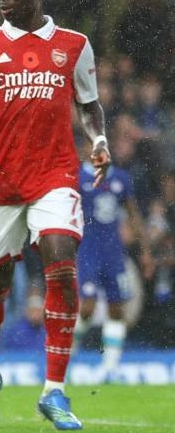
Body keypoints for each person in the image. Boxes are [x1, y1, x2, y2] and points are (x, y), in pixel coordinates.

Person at [0, 0, 110, 431]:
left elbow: (89, 104)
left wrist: (99, 139)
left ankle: (55, 391)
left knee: (61, 264)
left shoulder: (74, 44)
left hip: (55, 174)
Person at [72, 160, 148, 382]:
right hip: (87, 249)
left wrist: (144, 251)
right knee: (87, 307)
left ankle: (110, 367)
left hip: (114, 251)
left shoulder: (120, 178)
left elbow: (132, 213)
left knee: (117, 309)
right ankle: (65, 355)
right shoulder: (79, 177)